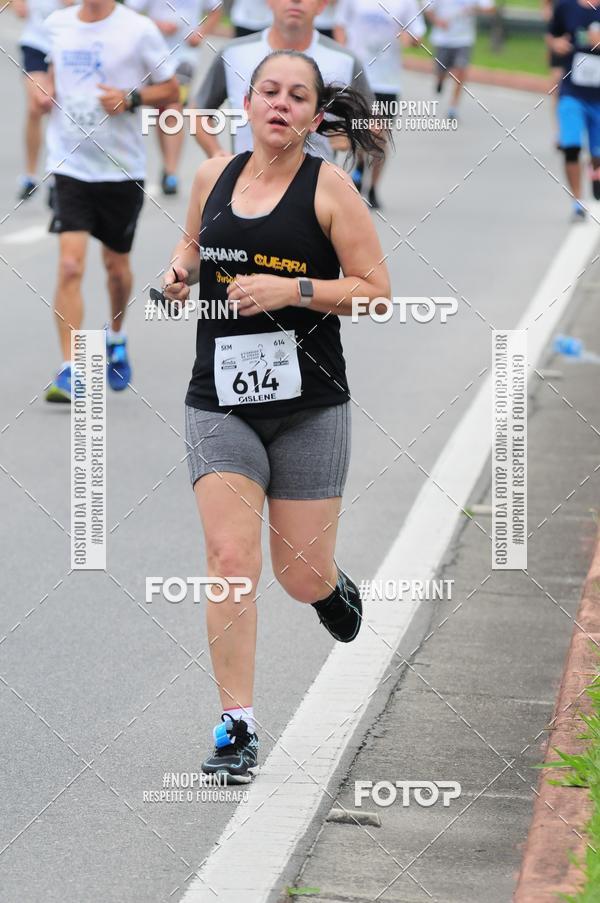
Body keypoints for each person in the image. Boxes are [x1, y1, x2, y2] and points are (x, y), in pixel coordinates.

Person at [161, 49, 391, 782]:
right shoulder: (212, 176)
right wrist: (178, 275)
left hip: (308, 407)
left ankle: (329, 586)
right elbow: (193, 245)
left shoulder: (330, 190)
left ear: (315, 118)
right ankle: (237, 726)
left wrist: (292, 291)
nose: (281, 104)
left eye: (297, 96)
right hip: (219, 400)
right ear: (249, 103)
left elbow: (377, 293)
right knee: (231, 562)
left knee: (298, 573)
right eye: (270, 91)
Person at [37, 0, 178, 403]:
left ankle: (116, 335)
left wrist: (130, 99)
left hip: (122, 169)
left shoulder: (139, 29)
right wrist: (44, 88)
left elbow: (171, 89)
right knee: (70, 265)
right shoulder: (57, 24)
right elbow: (49, 74)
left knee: (116, 269)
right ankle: (70, 368)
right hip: (69, 165)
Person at [192, 0, 373, 160]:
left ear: (322, 4)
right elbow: (198, 111)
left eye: (299, 96)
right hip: (246, 184)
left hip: (317, 186)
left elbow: (376, 123)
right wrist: (216, 152)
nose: (295, 0)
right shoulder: (233, 54)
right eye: (270, 92)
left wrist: (354, 135)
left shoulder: (345, 61)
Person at [125, 0, 222, 195]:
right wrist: (157, 25)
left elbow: (216, 9)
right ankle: (167, 163)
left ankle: (171, 171)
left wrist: (201, 32)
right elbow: (129, 12)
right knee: (162, 111)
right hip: (154, 55)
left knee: (173, 106)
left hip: (185, 56)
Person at [334, 0, 425, 207]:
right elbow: (340, 24)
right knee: (359, 131)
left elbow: (418, 35)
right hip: (358, 77)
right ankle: (359, 165)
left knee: (380, 136)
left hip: (387, 81)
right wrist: (342, 51)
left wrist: (409, 38)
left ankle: (373, 188)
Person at [12, 0, 72, 202]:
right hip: (35, 44)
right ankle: (30, 176)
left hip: (67, 47)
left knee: (62, 111)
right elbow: (20, 11)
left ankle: (58, 174)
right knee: (36, 107)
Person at [548, 0, 600, 220]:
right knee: (571, 147)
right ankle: (577, 202)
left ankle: (595, 170)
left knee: (597, 154)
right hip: (572, 92)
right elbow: (552, 35)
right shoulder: (565, 6)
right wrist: (556, 44)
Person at [425, 0, 494, 121]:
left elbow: (489, 9)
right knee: (441, 71)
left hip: (464, 39)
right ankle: (440, 80)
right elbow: (428, 9)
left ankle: (453, 107)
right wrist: (437, 21)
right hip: (442, 39)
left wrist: (474, 9)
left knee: (461, 70)